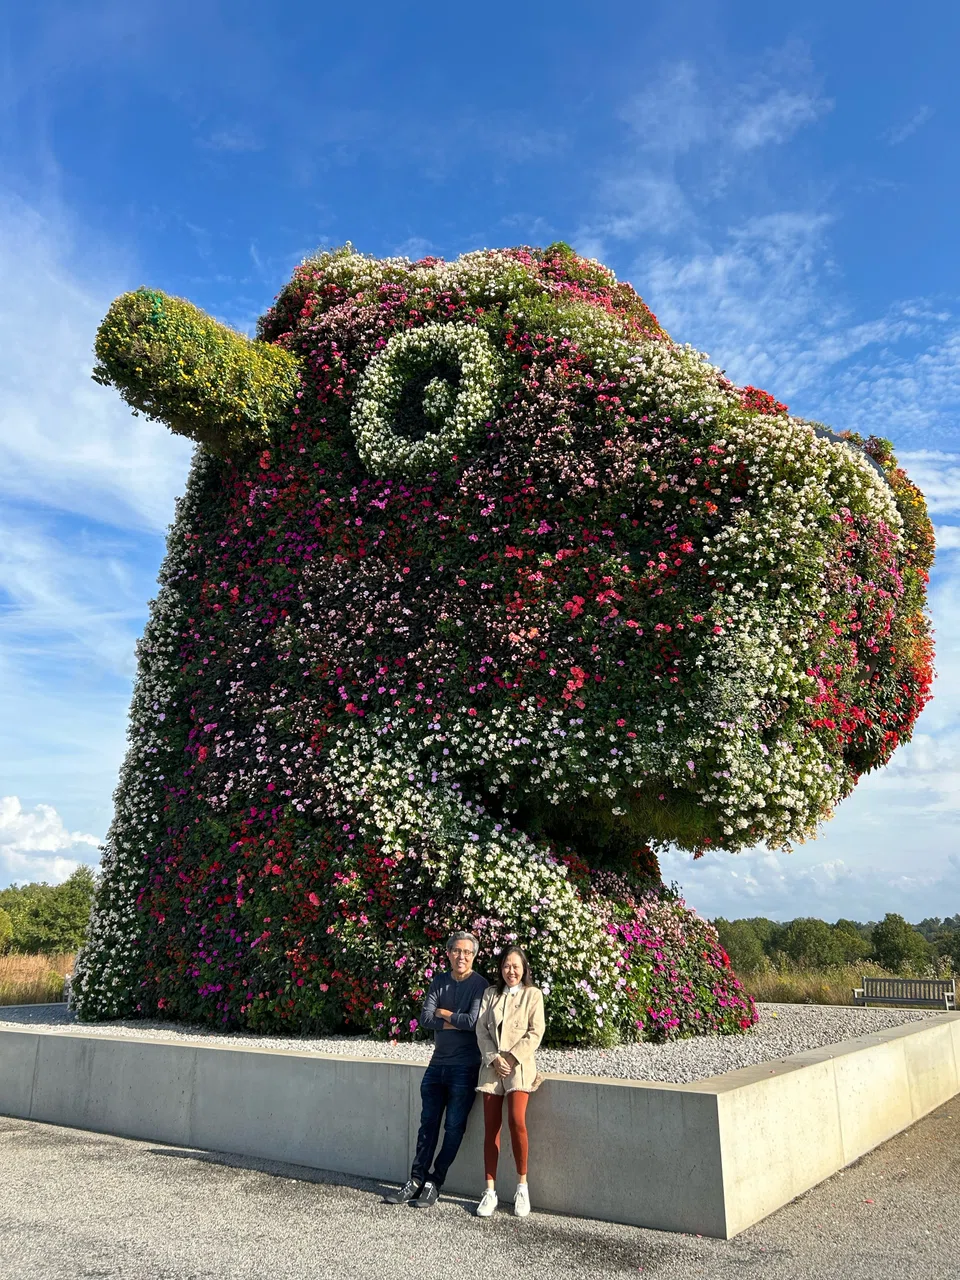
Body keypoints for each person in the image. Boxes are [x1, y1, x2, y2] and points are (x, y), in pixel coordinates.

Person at [383, 931, 489, 1208]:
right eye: (456, 951)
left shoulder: (480, 985)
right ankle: (415, 1180)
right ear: (449, 953)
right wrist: (446, 1017)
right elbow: (425, 1020)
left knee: (454, 1127)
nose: (461, 956)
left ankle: (435, 1182)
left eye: (467, 952)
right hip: (436, 1065)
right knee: (427, 1126)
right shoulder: (439, 981)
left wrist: (443, 1013)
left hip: (465, 1069)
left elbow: (471, 1022)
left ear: (474, 955)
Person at [473, 945, 545, 1219]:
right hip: (492, 1068)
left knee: (517, 1121)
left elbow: (535, 1031)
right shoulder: (491, 994)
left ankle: (522, 1187)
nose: (511, 971)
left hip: (520, 1067)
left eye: (515, 966)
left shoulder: (533, 995)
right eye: (506, 966)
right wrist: (493, 1057)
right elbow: (481, 1029)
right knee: (491, 1127)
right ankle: (490, 1191)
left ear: (524, 968)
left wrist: (512, 1057)